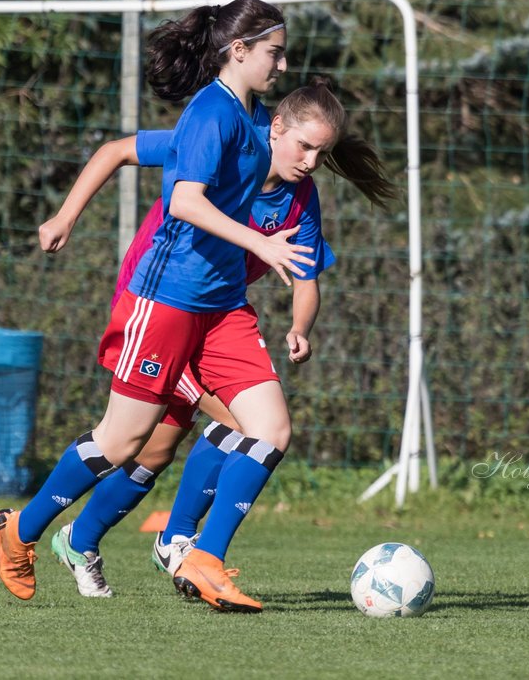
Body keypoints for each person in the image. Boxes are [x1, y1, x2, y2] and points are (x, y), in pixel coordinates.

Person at [0, 0, 312, 613]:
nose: (282, 63)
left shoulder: (255, 119)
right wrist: (260, 243)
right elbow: (186, 202)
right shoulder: (209, 117)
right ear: (239, 51)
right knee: (122, 443)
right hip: (164, 300)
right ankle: (22, 530)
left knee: (270, 429)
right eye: (274, 52)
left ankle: (203, 557)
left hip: (221, 308)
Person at [36, 82, 395, 598]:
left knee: (155, 451)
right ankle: (178, 540)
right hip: (162, 300)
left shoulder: (299, 197)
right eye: (305, 147)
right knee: (242, 424)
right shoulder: (223, 140)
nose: (313, 161)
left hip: (212, 316)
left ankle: (82, 537)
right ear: (277, 128)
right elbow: (117, 150)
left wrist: (300, 327)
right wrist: (65, 215)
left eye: (323, 152)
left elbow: (307, 275)